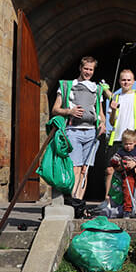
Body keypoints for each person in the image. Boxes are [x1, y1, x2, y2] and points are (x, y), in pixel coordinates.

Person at [51, 56, 107, 217]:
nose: (88, 72)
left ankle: (79, 204)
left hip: (91, 133)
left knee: (85, 170)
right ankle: (74, 202)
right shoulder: (67, 85)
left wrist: (103, 124)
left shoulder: (97, 89)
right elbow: (55, 109)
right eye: (86, 69)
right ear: (80, 68)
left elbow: (100, 113)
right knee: (75, 168)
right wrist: (70, 111)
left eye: (91, 69)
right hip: (73, 131)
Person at [106, 69, 136, 197]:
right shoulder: (115, 97)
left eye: (128, 80)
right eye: (123, 80)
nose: (126, 82)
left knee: (133, 170)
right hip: (117, 138)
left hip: (132, 140)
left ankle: (133, 198)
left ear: (133, 81)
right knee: (111, 170)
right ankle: (108, 199)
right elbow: (112, 121)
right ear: (120, 81)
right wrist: (114, 110)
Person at [108, 129, 136, 218]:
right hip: (127, 175)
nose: (128, 146)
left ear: (134, 142)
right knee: (127, 189)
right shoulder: (120, 152)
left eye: (130, 144)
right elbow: (113, 160)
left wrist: (135, 164)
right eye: (126, 144)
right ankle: (127, 210)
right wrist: (119, 162)